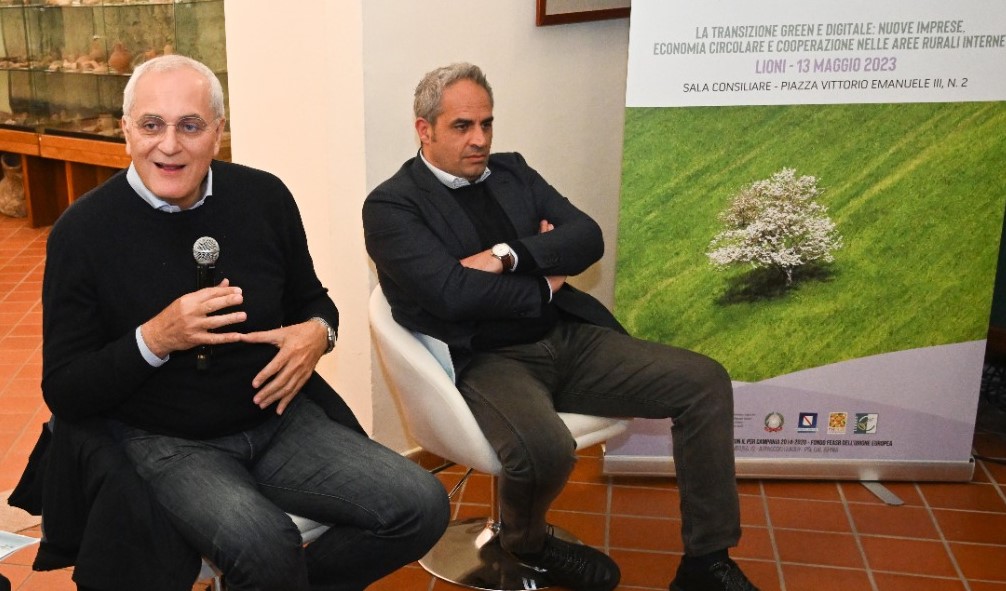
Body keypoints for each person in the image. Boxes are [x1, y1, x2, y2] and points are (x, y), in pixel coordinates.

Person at [38, 54, 449, 591]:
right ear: (126, 131)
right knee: (266, 546)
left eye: (190, 126)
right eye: (151, 125)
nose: (169, 145)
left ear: (218, 132)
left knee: (421, 504)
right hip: (167, 441)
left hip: (277, 421)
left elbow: (313, 301)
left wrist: (318, 333)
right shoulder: (82, 232)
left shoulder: (263, 197)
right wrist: (155, 338)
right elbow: (64, 388)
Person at [362, 62, 760, 591]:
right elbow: (451, 296)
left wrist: (507, 255)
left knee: (704, 383)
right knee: (544, 449)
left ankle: (706, 562)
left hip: (567, 338)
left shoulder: (513, 172)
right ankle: (527, 543)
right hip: (488, 360)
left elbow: (587, 238)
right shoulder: (392, 205)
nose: (480, 139)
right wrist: (544, 281)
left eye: (486, 123)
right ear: (424, 129)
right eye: (462, 126)